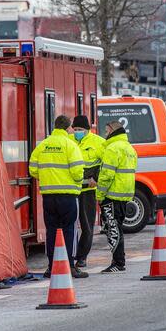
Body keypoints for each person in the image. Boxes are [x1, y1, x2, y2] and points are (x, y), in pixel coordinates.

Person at [29, 115, 89, 279]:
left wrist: (47, 177)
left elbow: (33, 169)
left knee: (51, 231)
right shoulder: (70, 145)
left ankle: (51, 266)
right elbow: (77, 171)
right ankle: (70, 265)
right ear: (68, 128)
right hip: (68, 196)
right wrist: (76, 181)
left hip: (49, 196)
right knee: (70, 230)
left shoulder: (43, 145)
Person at [96, 120, 138, 273]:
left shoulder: (112, 149)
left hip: (111, 196)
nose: (105, 134)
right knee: (117, 228)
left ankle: (118, 263)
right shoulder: (129, 148)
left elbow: (106, 175)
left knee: (113, 229)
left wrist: (100, 194)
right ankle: (119, 261)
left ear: (113, 131)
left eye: (106, 132)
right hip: (124, 195)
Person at [69, 115, 105, 268]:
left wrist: (96, 177)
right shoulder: (69, 141)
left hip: (88, 190)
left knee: (86, 225)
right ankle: (70, 255)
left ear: (87, 130)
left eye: (80, 130)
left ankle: (82, 257)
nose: (77, 132)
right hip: (71, 189)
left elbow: (106, 163)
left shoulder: (98, 142)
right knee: (69, 225)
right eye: (75, 129)